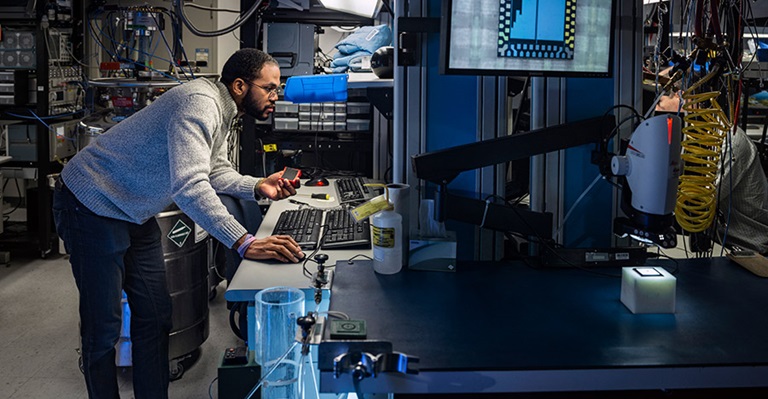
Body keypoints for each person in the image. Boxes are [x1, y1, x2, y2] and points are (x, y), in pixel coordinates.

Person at [52, 48, 305, 398]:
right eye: (271, 88)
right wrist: (243, 241)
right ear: (240, 85)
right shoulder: (199, 104)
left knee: (156, 316)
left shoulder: (221, 107)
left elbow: (212, 170)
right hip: (90, 203)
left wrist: (256, 185)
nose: (276, 97)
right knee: (103, 328)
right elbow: (189, 186)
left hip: (133, 210)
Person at [656, 91, 768, 254]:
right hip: (716, 243)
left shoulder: (728, 141)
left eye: (665, 97)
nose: (659, 103)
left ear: (686, 97)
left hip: (749, 249)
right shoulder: (690, 137)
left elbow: (696, 205)